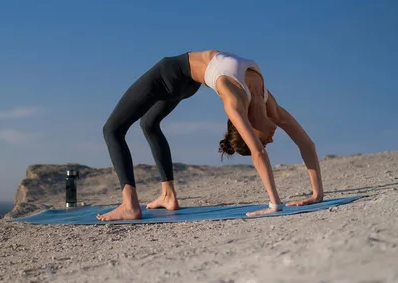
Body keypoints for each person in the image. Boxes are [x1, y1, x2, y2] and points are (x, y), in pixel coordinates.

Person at [97, 50, 324, 221]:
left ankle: (130, 205)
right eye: (267, 140)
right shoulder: (269, 106)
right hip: (186, 81)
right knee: (149, 124)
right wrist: (317, 195)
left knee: (112, 130)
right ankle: (168, 195)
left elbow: (259, 151)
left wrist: (279, 204)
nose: (271, 139)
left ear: (250, 129)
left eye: (265, 139)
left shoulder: (235, 101)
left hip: (171, 74)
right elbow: (305, 143)